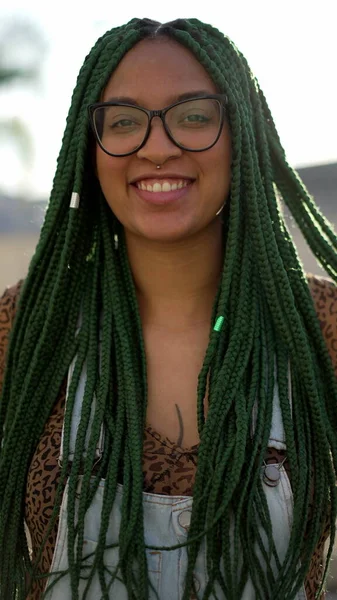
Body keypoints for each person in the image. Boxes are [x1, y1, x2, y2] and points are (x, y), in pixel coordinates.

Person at [0, 16, 337, 600]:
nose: (158, 147)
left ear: (244, 137)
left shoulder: (322, 326)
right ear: (89, 146)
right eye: (125, 122)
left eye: (195, 116)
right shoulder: (23, 328)